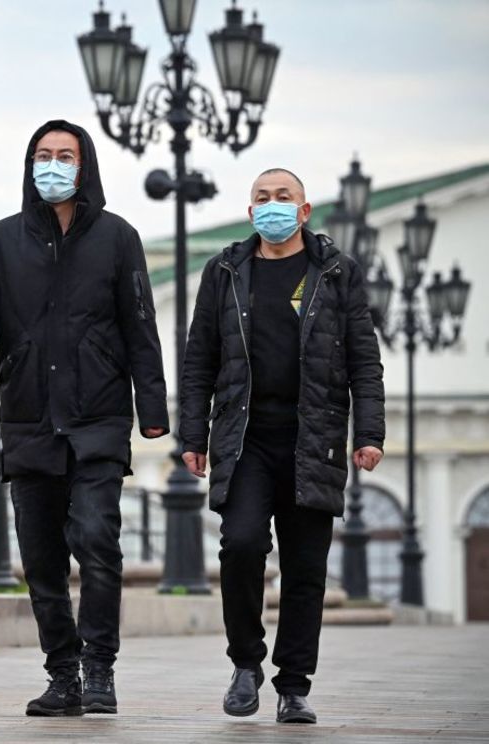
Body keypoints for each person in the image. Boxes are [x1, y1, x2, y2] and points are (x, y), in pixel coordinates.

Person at [0, 120, 169, 717]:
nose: (52, 165)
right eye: (42, 155)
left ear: (85, 165)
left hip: (98, 417)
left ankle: (100, 669)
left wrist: (153, 409)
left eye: (64, 155)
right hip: (28, 419)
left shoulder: (118, 238)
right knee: (42, 557)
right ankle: (63, 675)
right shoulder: (0, 242)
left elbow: (140, 326)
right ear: (29, 165)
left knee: (98, 539)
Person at [179, 168, 385, 724]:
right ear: (250, 213)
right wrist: (192, 435)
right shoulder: (224, 271)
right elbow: (199, 357)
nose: (273, 205)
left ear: (304, 209)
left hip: (312, 441)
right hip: (245, 438)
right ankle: (246, 664)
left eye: (283, 197)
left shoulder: (337, 272)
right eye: (262, 198)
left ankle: (294, 686)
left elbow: (364, 359)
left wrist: (369, 434)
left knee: (305, 570)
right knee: (241, 545)